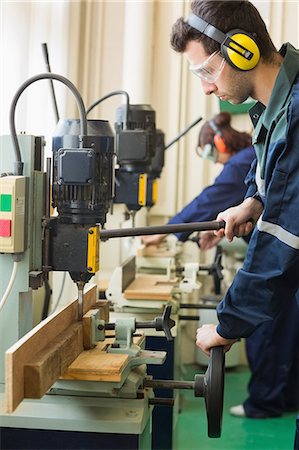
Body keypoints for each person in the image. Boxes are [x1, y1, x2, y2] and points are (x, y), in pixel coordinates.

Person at [170, 0, 299, 440]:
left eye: (207, 72)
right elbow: (268, 172)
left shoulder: (297, 112)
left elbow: (283, 243)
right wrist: (253, 202)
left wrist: (226, 325)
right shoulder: (273, 112)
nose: (206, 89)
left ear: (242, 50)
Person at [142, 111, 255, 246]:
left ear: (220, 143)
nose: (214, 161)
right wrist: (220, 227)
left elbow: (209, 199)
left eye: (211, 154)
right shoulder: (249, 154)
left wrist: (165, 230)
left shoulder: (239, 163)